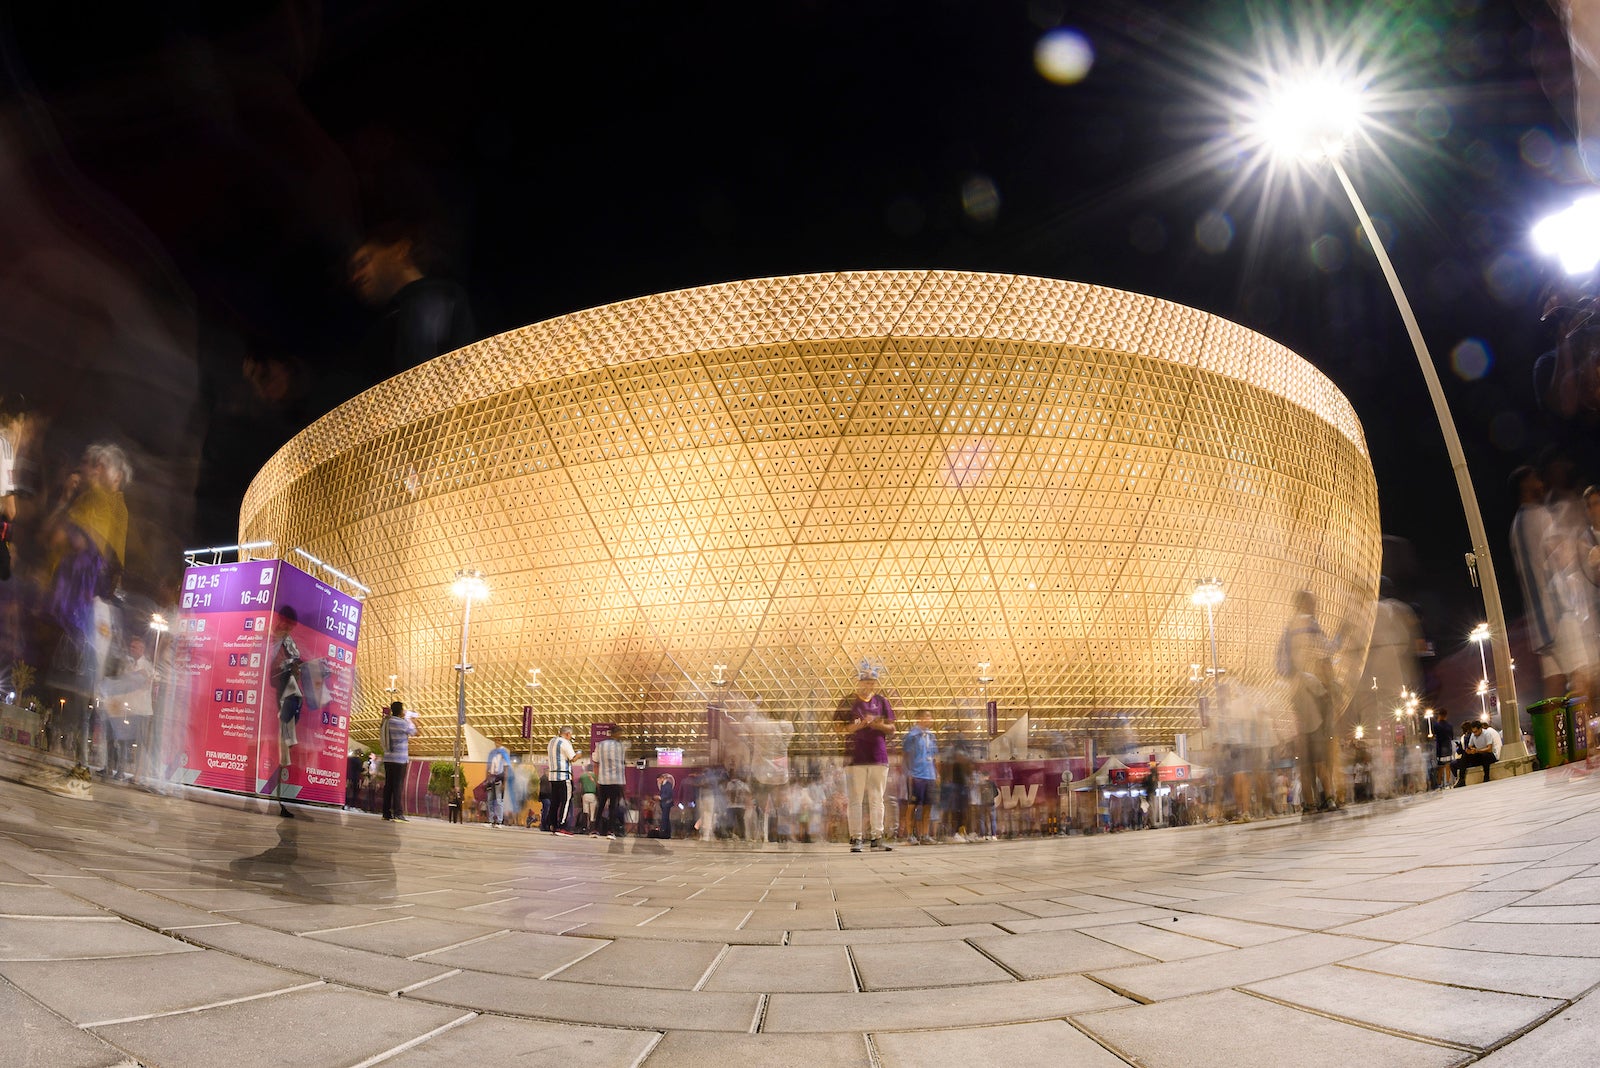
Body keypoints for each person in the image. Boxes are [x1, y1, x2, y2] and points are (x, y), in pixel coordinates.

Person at [349, 222, 477, 379]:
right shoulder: (400, 312)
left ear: (400, 251)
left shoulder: (428, 297)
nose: (356, 277)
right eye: (353, 271)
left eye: (364, 262)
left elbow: (422, 380)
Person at [1284, 590, 1340, 811]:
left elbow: (1282, 665)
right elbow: (1326, 650)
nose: (1315, 605)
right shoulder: (1309, 624)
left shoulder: (1288, 629)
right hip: (1314, 693)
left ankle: (1309, 802)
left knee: (1305, 753)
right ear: (1306, 604)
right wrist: (1341, 635)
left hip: (1297, 694)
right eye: (1313, 602)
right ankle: (1328, 796)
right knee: (1319, 749)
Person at [837, 667, 895, 852]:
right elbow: (839, 728)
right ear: (859, 682)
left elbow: (892, 728)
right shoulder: (848, 702)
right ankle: (856, 837)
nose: (869, 685)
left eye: (872, 682)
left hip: (878, 756)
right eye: (865, 682)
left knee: (877, 798)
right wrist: (860, 725)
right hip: (855, 757)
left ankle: (877, 836)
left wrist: (879, 725)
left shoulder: (882, 701)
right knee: (855, 799)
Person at [267, 606, 304, 817]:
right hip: (277, 696)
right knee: (280, 749)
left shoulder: (286, 640)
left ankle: (281, 800)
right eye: (288, 625)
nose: (288, 629)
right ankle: (277, 800)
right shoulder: (271, 638)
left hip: (285, 698)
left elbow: (295, 659)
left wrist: (294, 665)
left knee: (284, 749)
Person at [902, 711, 938, 844]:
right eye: (927, 716)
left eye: (930, 716)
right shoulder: (912, 736)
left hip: (929, 775)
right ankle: (910, 835)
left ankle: (924, 835)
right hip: (916, 775)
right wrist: (909, 772)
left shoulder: (931, 736)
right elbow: (906, 756)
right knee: (912, 805)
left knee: (928, 805)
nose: (930, 719)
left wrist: (936, 774)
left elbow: (934, 756)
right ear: (919, 718)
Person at [381, 701, 418, 821]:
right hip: (400, 760)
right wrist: (412, 718)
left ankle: (386, 813)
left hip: (388, 758)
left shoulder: (387, 721)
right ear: (401, 710)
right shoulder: (402, 723)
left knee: (388, 786)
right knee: (398, 786)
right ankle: (398, 813)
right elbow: (416, 733)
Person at [594, 729, 627, 838]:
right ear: (617, 733)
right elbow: (622, 764)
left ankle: (595, 830)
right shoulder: (621, 746)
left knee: (601, 805)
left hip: (603, 780)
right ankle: (610, 831)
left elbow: (596, 760)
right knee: (613, 806)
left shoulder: (601, 745)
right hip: (616, 781)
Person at [544, 726, 576, 834]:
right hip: (564, 776)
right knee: (566, 801)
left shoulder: (551, 742)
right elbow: (573, 758)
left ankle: (552, 825)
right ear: (567, 734)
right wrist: (579, 753)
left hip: (553, 777)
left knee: (555, 802)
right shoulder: (565, 743)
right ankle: (562, 826)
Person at [1456, 720, 1503, 787]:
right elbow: (1470, 746)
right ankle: (1461, 779)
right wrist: (1469, 751)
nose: (1475, 733)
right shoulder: (1473, 735)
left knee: (1485, 755)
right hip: (1479, 754)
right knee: (1465, 755)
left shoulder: (1487, 734)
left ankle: (1486, 776)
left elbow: (1489, 749)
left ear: (1480, 729)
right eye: (1473, 732)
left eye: (1476, 731)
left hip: (1489, 755)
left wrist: (1477, 751)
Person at [485, 739, 513, 827]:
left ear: (501, 742)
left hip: (498, 779)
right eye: (495, 741)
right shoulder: (492, 753)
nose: (497, 743)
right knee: (490, 800)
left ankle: (499, 821)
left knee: (498, 800)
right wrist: (486, 779)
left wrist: (504, 782)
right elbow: (488, 767)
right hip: (491, 779)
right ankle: (491, 820)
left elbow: (506, 768)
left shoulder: (504, 753)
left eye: (499, 741)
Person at [577, 764, 599, 835]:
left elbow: (580, 787)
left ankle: (584, 828)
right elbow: (598, 786)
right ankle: (592, 829)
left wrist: (581, 795)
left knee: (585, 812)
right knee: (592, 813)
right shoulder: (595, 776)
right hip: (593, 795)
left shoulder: (583, 776)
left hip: (585, 795)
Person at [655, 773, 676, 839]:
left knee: (665, 818)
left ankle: (664, 833)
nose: (658, 781)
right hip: (663, 804)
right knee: (666, 819)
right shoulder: (663, 785)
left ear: (662, 778)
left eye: (659, 780)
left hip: (667, 804)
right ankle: (667, 833)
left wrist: (660, 797)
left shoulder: (668, 785)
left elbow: (669, 794)